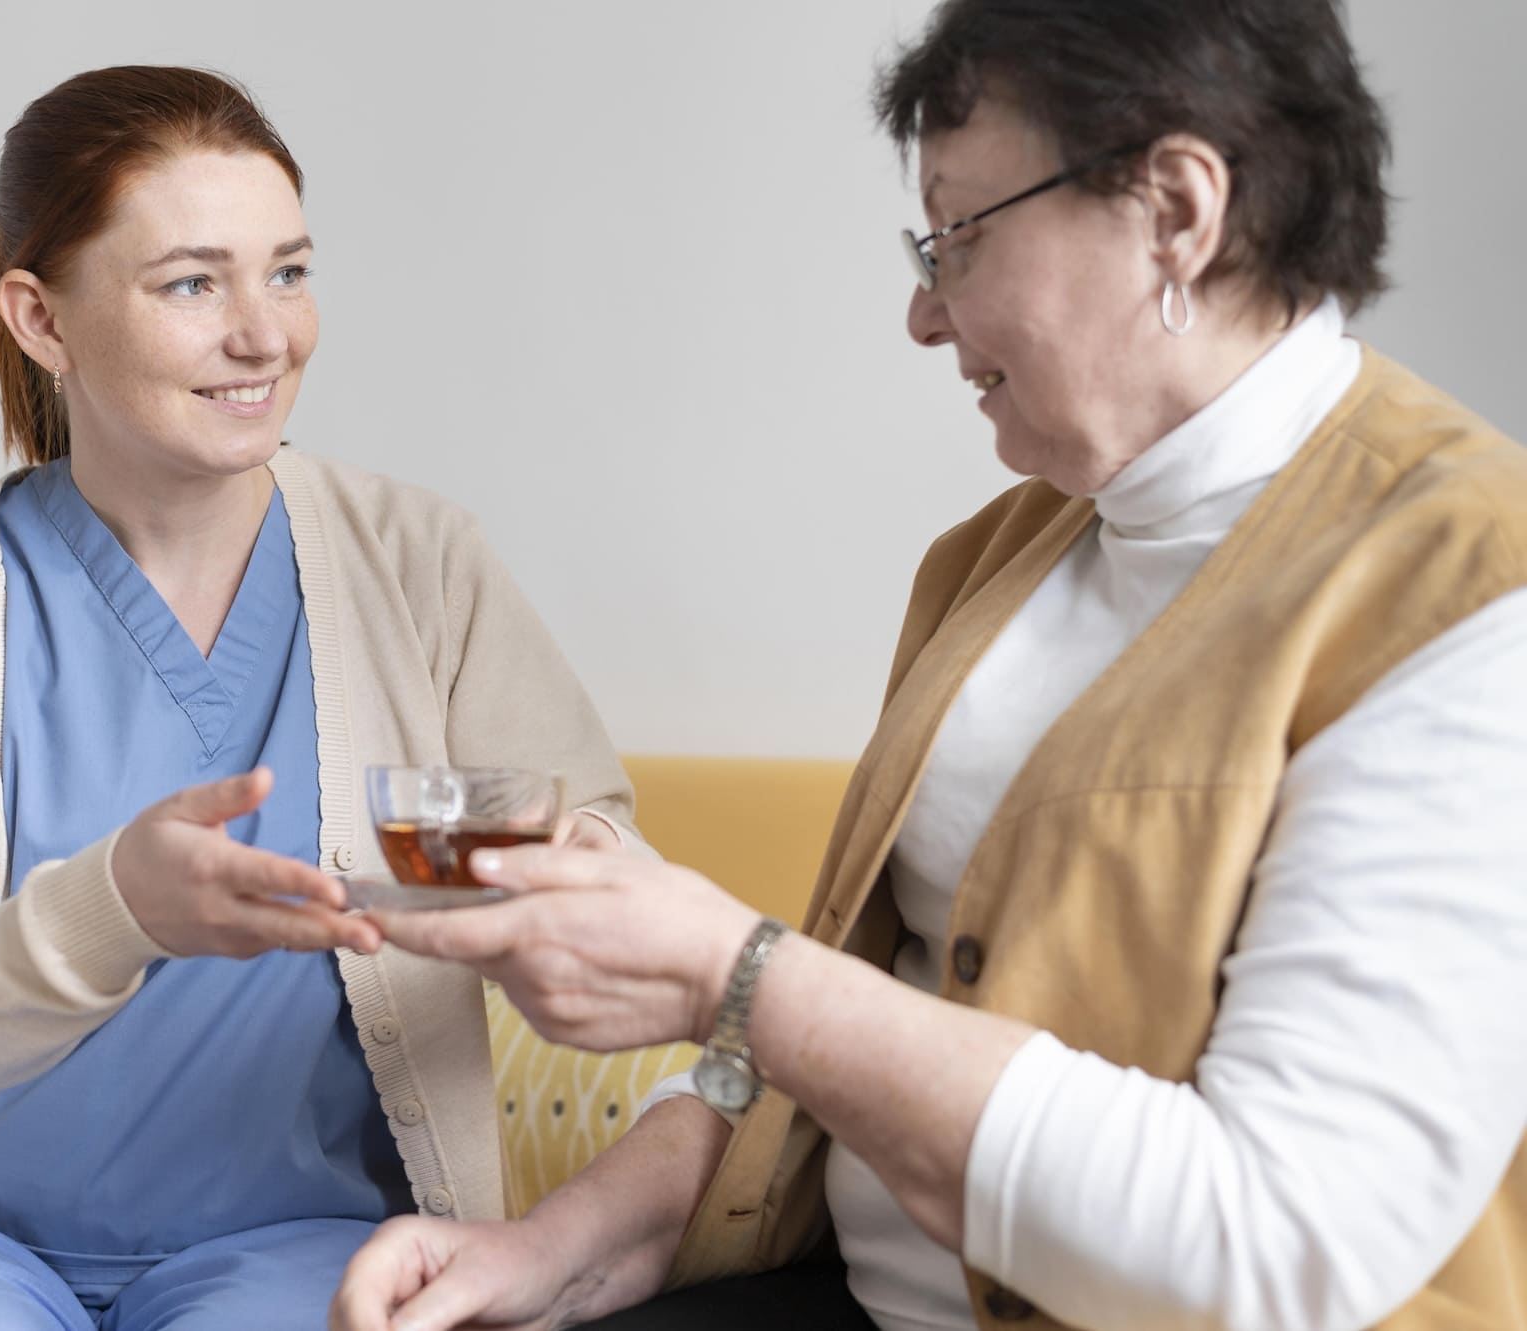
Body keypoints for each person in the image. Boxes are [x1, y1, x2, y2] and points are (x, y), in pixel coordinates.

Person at [330, 3, 1527, 1329]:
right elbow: (817, 1049)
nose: (922, 308)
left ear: (1176, 211)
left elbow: (1277, 1245)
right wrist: (551, 1247)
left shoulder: (1468, 579)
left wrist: (735, 969)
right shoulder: (995, 559)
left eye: (959, 233)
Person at [0, 66, 638, 1331]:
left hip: (302, 1240)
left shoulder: (418, 564)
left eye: (290, 271)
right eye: (193, 283)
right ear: (41, 319)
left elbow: (600, 851)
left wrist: (538, 876)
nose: (264, 335)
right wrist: (120, 908)